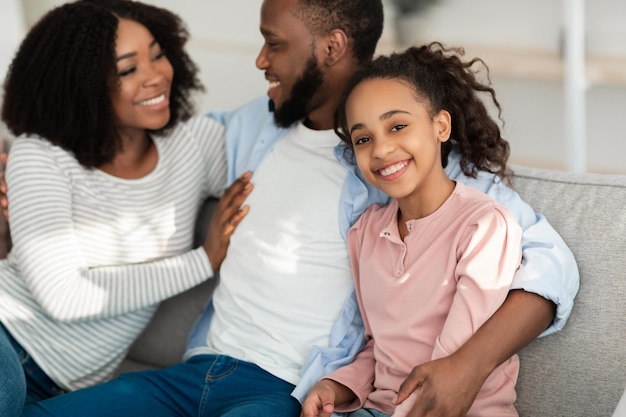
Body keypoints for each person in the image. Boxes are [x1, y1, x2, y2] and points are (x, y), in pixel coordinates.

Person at [16, 0, 578, 416]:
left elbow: (550, 264)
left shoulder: (399, 159)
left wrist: (467, 366)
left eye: (274, 42)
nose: (261, 59)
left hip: (283, 389)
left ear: (330, 47)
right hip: (193, 370)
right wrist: (34, 167)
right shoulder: (250, 128)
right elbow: (145, 148)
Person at [0, 1, 251, 416]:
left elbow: (274, 151)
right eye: (127, 69)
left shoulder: (192, 144)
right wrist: (202, 261)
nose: (156, 76)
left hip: (58, 388)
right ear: (82, 84)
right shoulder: (40, 155)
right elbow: (64, 297)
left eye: (157, 54)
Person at [301, 42, 524, 417]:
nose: (382, 149)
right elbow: (379, 349)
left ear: (440, 126)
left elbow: (450, 370)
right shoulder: (365, 234)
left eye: (398, 126)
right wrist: (335, 386)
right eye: (363, 138)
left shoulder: (483, 226)